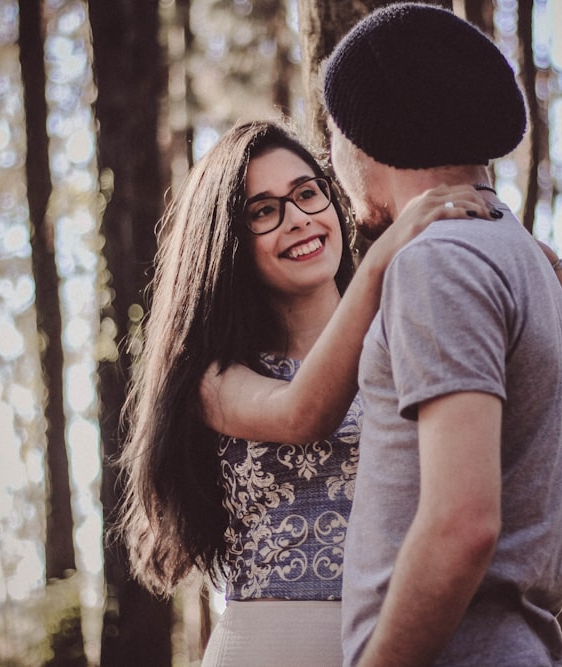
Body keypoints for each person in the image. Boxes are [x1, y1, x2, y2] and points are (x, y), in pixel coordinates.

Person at [117, 119, 499, 665]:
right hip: (270, 648)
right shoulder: (213, 378)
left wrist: (540, 265)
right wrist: (381, 260)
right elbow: (302, 414)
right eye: (264, 211)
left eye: (307, 193)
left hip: (407, 642)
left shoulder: (404, 338)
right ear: (228, 243)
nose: (298, 219)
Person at [321, 3, 562, 665]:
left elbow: (463, 525)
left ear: (372, 135)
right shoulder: (525, 256)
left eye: (336, 132)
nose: (331, 155)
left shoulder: (439, 260)